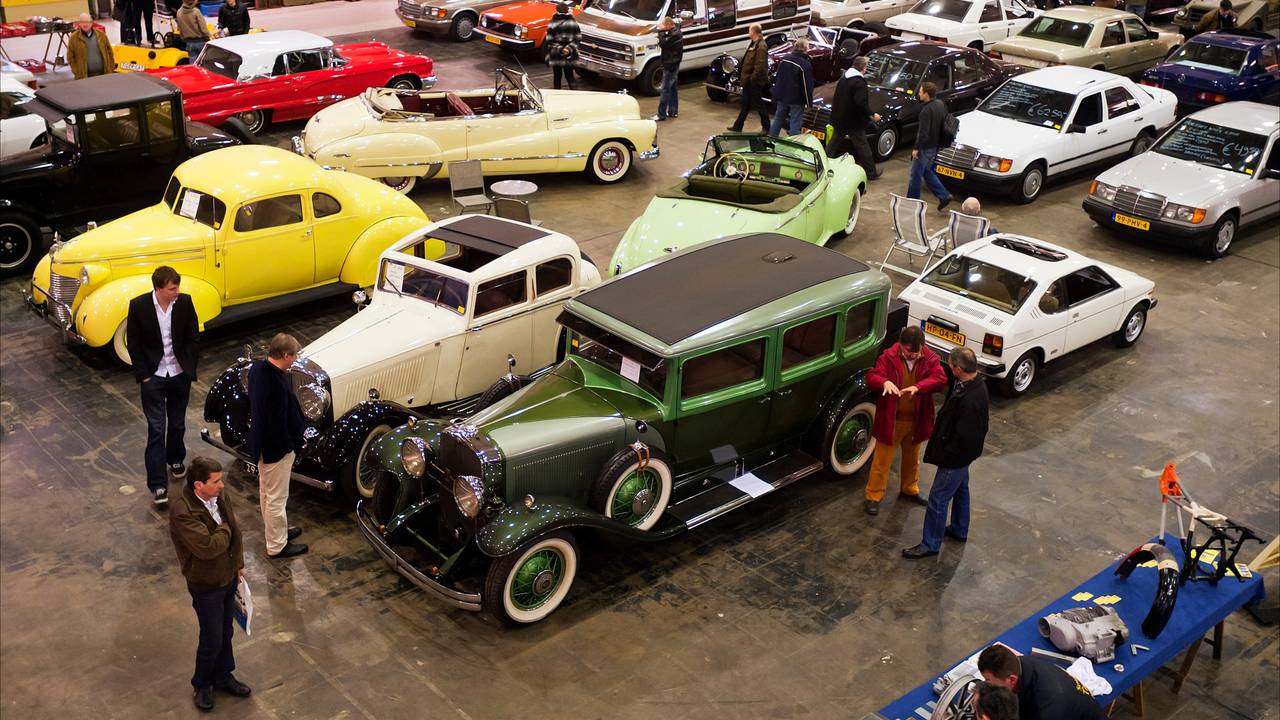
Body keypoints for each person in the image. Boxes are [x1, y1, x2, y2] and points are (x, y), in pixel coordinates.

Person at [169, 456, 252, 712]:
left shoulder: (219, 496)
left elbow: (235, 533)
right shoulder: (182, 511)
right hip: (205, 584)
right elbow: (207, 547)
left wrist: (238, 563)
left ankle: (223, 676)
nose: (222, 485)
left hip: (227, 576)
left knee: (226, 631)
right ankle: (202, 683)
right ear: (198, 486)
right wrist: (225, 528)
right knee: (212, 636)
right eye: (215, 481)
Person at [903, 346, 989, 559]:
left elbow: (965, 436)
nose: (948, 367)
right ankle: (959, 529)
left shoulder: (970, 400)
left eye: (950, 365)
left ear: (959, 369)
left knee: (938, 498)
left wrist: (947, 455)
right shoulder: (969, 385)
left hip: (955, 457)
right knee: (961, 490)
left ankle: (930, 544)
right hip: (963, 455)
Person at [127, 265, 200, 506]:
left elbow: (193, 336)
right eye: (172, 288)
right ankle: (158, 485)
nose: (177, 291)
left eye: (177, 287)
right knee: (156, 430)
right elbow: (134, 343)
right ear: (158, 288)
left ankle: (176, 458)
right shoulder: (139, 306)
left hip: (179, 374)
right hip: (154, 377)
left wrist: (189, 365)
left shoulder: (185, 303)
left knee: (177, 423)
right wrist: (143, 374)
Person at [864, 326, 947, 516]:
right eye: (909, 352)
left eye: (916, 353)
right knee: (881, 461)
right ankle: (873, 496)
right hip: (892, 420)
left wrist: (918, 387)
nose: (913, 356)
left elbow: (940, 378)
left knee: (912, 459)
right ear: (901, 346)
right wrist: (884, 382)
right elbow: (872, 376)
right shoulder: (888, 357)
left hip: (915, 421)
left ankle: (909, 489)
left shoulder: (929, 357)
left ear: (922, 347)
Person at [246, 333, 308, 559]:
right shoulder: (276, 386)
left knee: (267, 493)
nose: (296, 359)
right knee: (276, 498)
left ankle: (277, 533)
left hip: (262, 444)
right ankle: (277, 545)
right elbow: (278, 424)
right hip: (276, 449)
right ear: (285, 355)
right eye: (294, 355)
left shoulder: (257, 369)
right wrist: (290, 447)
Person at [978, 644, 1109, 720]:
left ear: (1011, 679)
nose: (986, 684)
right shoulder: (1019, 665)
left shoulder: (1045, 707)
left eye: (989, 681)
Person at [830, 55, 881, 180]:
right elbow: (861, 102)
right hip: (853, 121)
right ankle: (871, 173)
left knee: (833, 143)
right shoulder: (859, 82)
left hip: (840, 118)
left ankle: (822, 165)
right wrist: (872, 114)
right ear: (863, 68)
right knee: (863, 146)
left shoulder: (844, 78)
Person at [907, 81, 953, 212]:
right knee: (927, 172)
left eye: (920, 91)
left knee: (915, 175)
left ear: (926, 94)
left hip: (924, 148)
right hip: (934, 147)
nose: (919, 93)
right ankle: (944, 195)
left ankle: (912, 203)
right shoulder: (940, 105)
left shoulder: (925, 111)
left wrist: (916, 149)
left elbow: (923, 133)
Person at [728, 24, 770, 134]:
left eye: (749, 30)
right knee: (745, 103)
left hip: (754, 81)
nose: (748, 32)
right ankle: (738, 125)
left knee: (758, 104)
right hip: (748, 80)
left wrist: (752, 79)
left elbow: (760, 65)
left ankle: (766, 126)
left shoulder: (761, 46)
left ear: (754, 32)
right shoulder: (753, 43)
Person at [769, 37, 813, 137]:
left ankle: (771, 139)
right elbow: (806, 86)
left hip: (782, 96)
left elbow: (778, 77)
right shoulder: (805, 65)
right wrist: (809, 103)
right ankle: (793, 145)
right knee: (795, 124)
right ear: (805, 48)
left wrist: (776, 93)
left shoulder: (785, 59)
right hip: (796, 100)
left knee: (778, 119)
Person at [545, 2, 581, 90]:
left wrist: (560, 49)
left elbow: (549, 40)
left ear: (556, 10)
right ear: (567, 10)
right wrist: (568, 49)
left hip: (556, 54)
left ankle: (556, 97)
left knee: (557, 77)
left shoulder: (553, 22)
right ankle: (574, 95)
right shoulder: (573, 21)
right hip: (570, 55)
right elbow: (578, 38)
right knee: (570, 76)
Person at [67, 13, 115, 79]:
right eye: (82, 22)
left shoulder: (101, 35)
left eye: (87, 21)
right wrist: (77, 72)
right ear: (79, 23)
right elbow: (70, 57)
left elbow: (110, 53)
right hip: (84, 77)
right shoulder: (73, 38)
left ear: (91, 22)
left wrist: (111, 68)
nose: (85, 24)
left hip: (104, 75)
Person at [654, 17, 683, 121]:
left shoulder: (675, 34)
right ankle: (673, 111)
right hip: (672, 64)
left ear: (669, 24)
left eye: (664, 25)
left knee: (665, 90)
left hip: (671, 65)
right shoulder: (673, 32)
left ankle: (661, 114)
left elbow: (663, 44)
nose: (662, 27)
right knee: (673, 88)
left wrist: (660, 31)